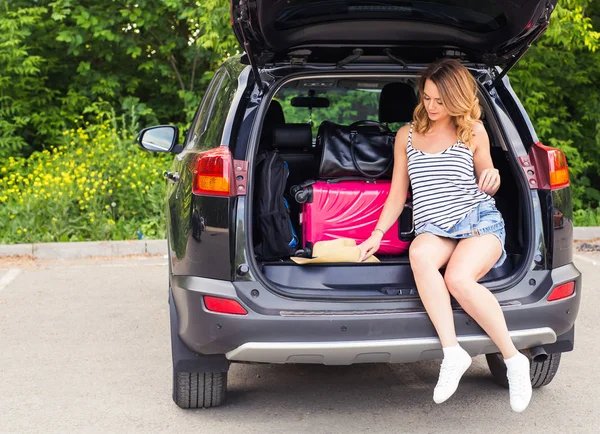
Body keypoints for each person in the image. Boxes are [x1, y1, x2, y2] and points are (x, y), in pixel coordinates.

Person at [357, 58, 532, 413]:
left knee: (457, 278)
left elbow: (487, 171)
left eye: (440, 100)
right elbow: (397, 193)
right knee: (420, 253)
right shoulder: (406, 135)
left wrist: (492, 177)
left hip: (477, 223)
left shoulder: (474, 131)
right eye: (426, 98)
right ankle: (452, 353)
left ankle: (515, 360)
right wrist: (376, 233)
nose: (432, 107)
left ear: (457, 98)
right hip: (435, 229)